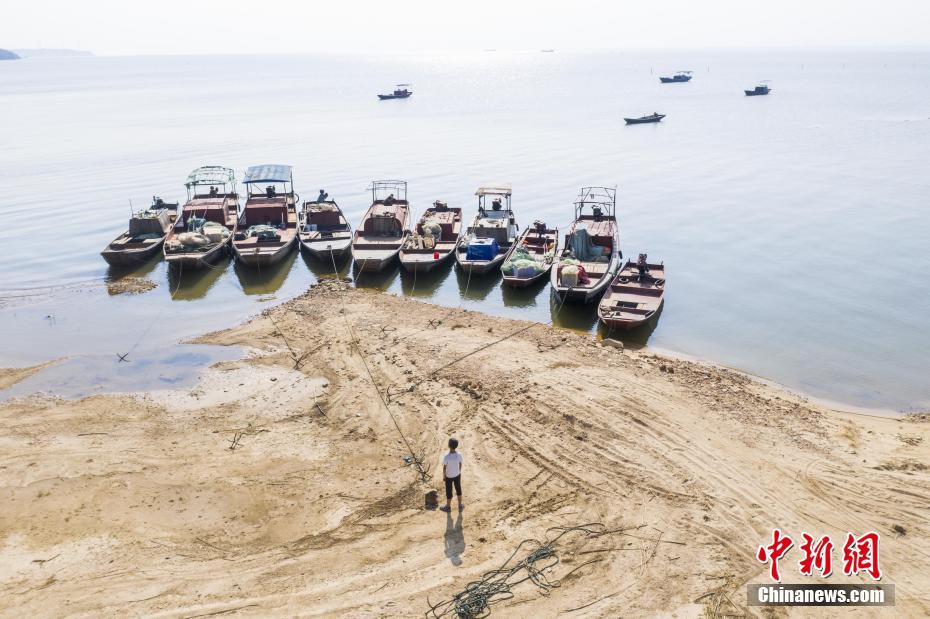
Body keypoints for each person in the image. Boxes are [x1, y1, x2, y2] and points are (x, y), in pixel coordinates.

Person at [440, 438, 463, 512]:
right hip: (457, 475)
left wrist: (444, 476)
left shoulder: (446, 457)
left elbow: (444, 468)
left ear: (448, 445)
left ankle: (448, 507)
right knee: (458, 489)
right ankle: (460, 505)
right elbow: (460, 463)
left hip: (449, 477)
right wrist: (458, 471)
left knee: (449, 491)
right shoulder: (459, 454)